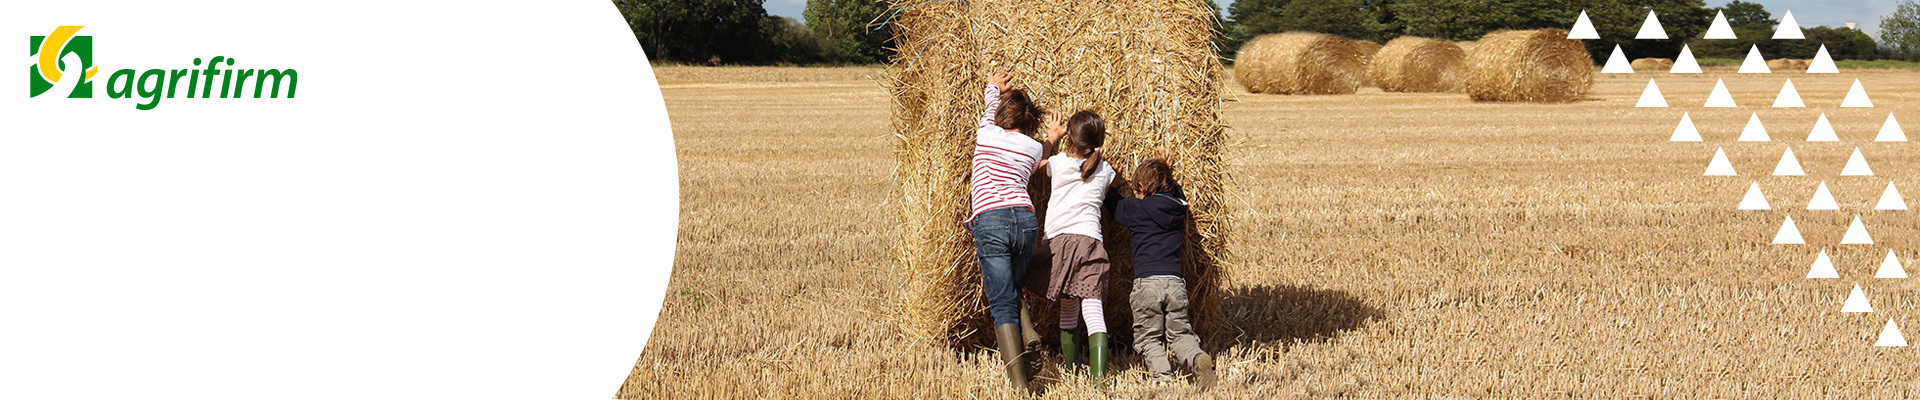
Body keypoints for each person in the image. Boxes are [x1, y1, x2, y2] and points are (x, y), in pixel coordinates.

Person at [965, 67, 1046, 391]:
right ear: (1029, 122)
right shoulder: (1034, 148)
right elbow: (1042, 159)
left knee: (1000, 300)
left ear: (1002, 115)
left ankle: (1019, 384)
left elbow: (988, 107)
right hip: (1025, 221)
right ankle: (1029, 333)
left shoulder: (987, 133)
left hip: (992, 220)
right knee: (1014, 281)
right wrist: (1052, 138)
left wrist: (993, 85)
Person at [1108, 158, 1217, 388]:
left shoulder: (1138, 209)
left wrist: (1112, 186)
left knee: (1148, 338)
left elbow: (1115, 208)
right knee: (1180, 334)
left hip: (1147, 284)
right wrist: (1170, 176)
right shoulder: (1178, 208)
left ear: (1140, 188)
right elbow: (1180, 197)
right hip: (1175, 282)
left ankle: (1162, 376)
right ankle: (1197, 357)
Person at [1033, 111, 1117, 387]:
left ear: (1069, 137)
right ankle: (1099, 379)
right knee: (1094, 310)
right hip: (1091, 243)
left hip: (1060, 243)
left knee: (1068, 306)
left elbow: (1036, 163)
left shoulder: (1058, 163)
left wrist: (1051, 137)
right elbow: (1113, 181)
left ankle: (1070, 370)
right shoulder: (1104, 169)